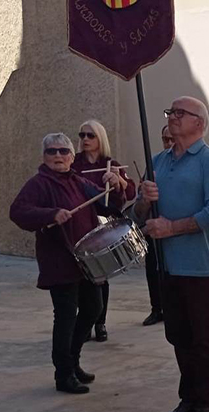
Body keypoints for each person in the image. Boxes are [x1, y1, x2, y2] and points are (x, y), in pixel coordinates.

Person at [133, 96, 209, 412]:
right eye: (169, 111)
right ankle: (188, 399)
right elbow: (137, 215)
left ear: (198, 123)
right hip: (166, 266)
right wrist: (144, 200)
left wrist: (171, 228)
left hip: (199, 266)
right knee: (178, 336)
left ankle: (208, 405)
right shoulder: (157, 161)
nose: (172, 117)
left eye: (179, 112)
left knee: (203, 338)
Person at [9, 133, 127, 394]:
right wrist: (50, 214)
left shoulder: (78, 181)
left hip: (85, 260)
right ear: (44, 156)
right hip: (59, 260)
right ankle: (63, 374)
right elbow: (17, 211)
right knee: (64, 317)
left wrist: (115, 185)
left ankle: (72, 361)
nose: (58, 156)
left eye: (63, 151)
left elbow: (108, 206)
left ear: (72, 157)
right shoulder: (38, 184)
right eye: (52, 152)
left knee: (93, 308)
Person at [71, 119, 136, 342]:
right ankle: (86, 321)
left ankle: (100, 322)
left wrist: (120, 182)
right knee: (81, 275)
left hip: (101, 225)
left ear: (100, 139)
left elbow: (130, 194)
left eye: (90, 135)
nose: (85, 139)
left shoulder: (111, 164)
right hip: (80, 225)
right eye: (82, 135)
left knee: (101, 274)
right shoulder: (74, 165)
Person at [141, 125, 174, 327]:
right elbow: (139, 205)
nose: (168, 143)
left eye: (171, 139)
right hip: (154, 224)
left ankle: (171, 308)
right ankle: (156, 309)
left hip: (173, 227)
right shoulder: (155, 163)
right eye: (165, 139)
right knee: (152, 268)